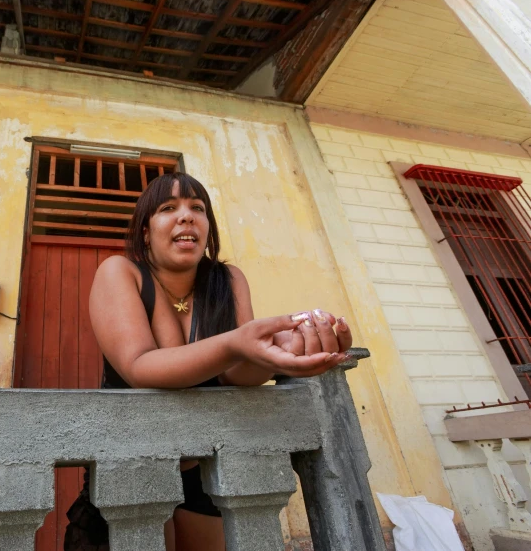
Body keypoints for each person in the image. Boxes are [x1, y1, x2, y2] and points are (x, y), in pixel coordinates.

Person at [64, 172, 352, 551]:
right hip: (135, 461)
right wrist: (238, 342)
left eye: (197, 208)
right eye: (169, 208)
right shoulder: (121, 272)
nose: (187, 216)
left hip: (209, 466)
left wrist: (283, 351)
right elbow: (140, 366)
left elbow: (238, 374)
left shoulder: (228, 279)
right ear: (146, 231)